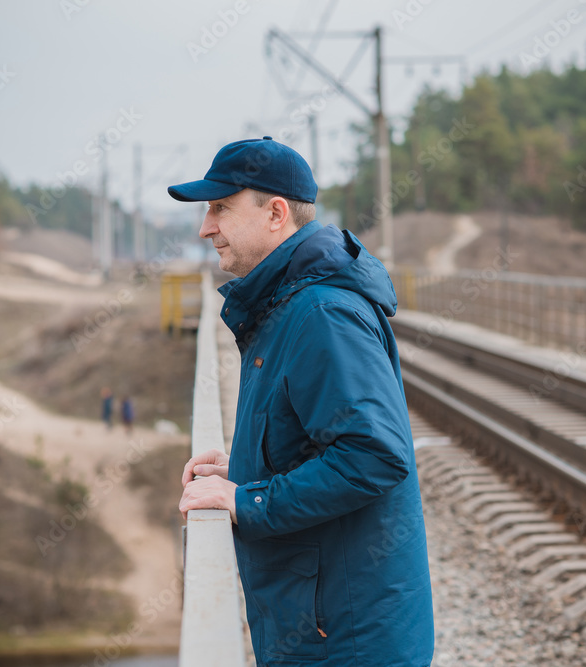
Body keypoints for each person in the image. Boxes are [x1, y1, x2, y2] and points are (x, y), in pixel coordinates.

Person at [174, 136, 434, 666]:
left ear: (276, 213)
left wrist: (248, 501)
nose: (206, 228)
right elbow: (318, 435)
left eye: (221, 207)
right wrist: (246, 466)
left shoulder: (320, 313)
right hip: (323, 625)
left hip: (344, 639)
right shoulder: (284, 303)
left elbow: (374, 455)